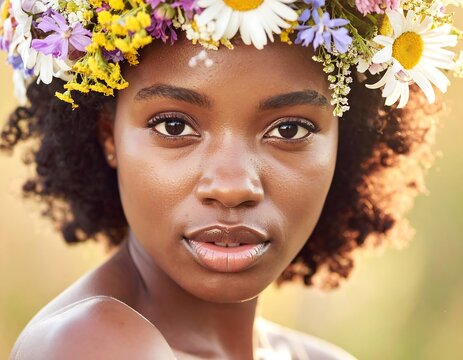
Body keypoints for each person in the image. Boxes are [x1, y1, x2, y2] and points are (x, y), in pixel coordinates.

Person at [1, 0, 461, 359]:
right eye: (174, 126)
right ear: (108, 137)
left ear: (353, 136)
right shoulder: (92, 345)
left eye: (289, 129)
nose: (233, 186)